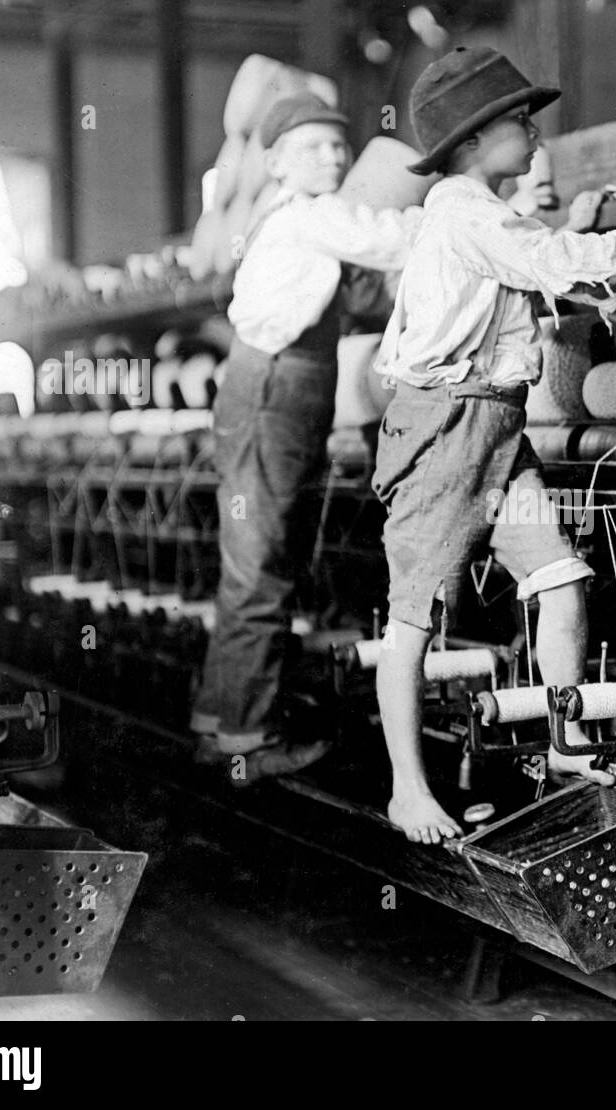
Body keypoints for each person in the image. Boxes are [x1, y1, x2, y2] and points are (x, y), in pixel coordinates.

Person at [372, 47, 616, 842]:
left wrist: (605, 233)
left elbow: (559, 261)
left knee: (561, 578)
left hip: (497, 425)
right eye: (518, 121)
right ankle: (406, 789)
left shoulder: (484, 212)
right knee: (414, 621)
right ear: (469, 142)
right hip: (445, 430)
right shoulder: (465, 211)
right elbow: (562, 263)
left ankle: (565, 742)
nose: (535, 134)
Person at [190, 93, 421, 784]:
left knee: (257, 567)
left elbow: (358, 298)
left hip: (274, 392)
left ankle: (221, 721)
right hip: (275, 395)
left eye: (336, 145)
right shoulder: (312, 215)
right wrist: (465, 210)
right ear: (275, 162)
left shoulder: (294, 222)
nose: (332, 156)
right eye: (312, 147)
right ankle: (250, 741)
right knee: (261, 571)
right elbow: (393, 238)